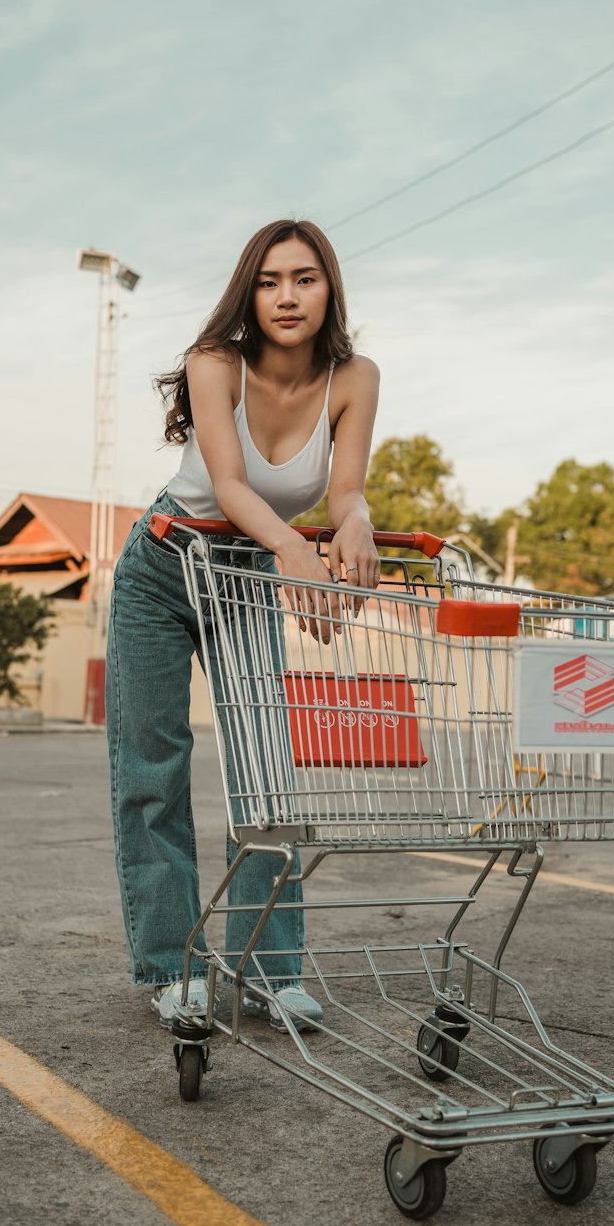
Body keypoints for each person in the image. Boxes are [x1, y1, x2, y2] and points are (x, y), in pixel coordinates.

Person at [106, 219, 380, 1031]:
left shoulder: (355, 377)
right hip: (163, 567)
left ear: (329, 287)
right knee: (152, 772)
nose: (287, 296)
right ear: (248, 292)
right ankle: (170, 968)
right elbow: (229, 485)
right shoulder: (213, 364)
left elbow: (349, 487)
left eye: (304, 278)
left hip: (245, 575)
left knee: (266, 769)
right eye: (268, 281)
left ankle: (268, 968)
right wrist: (296, 547)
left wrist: (356, 521)